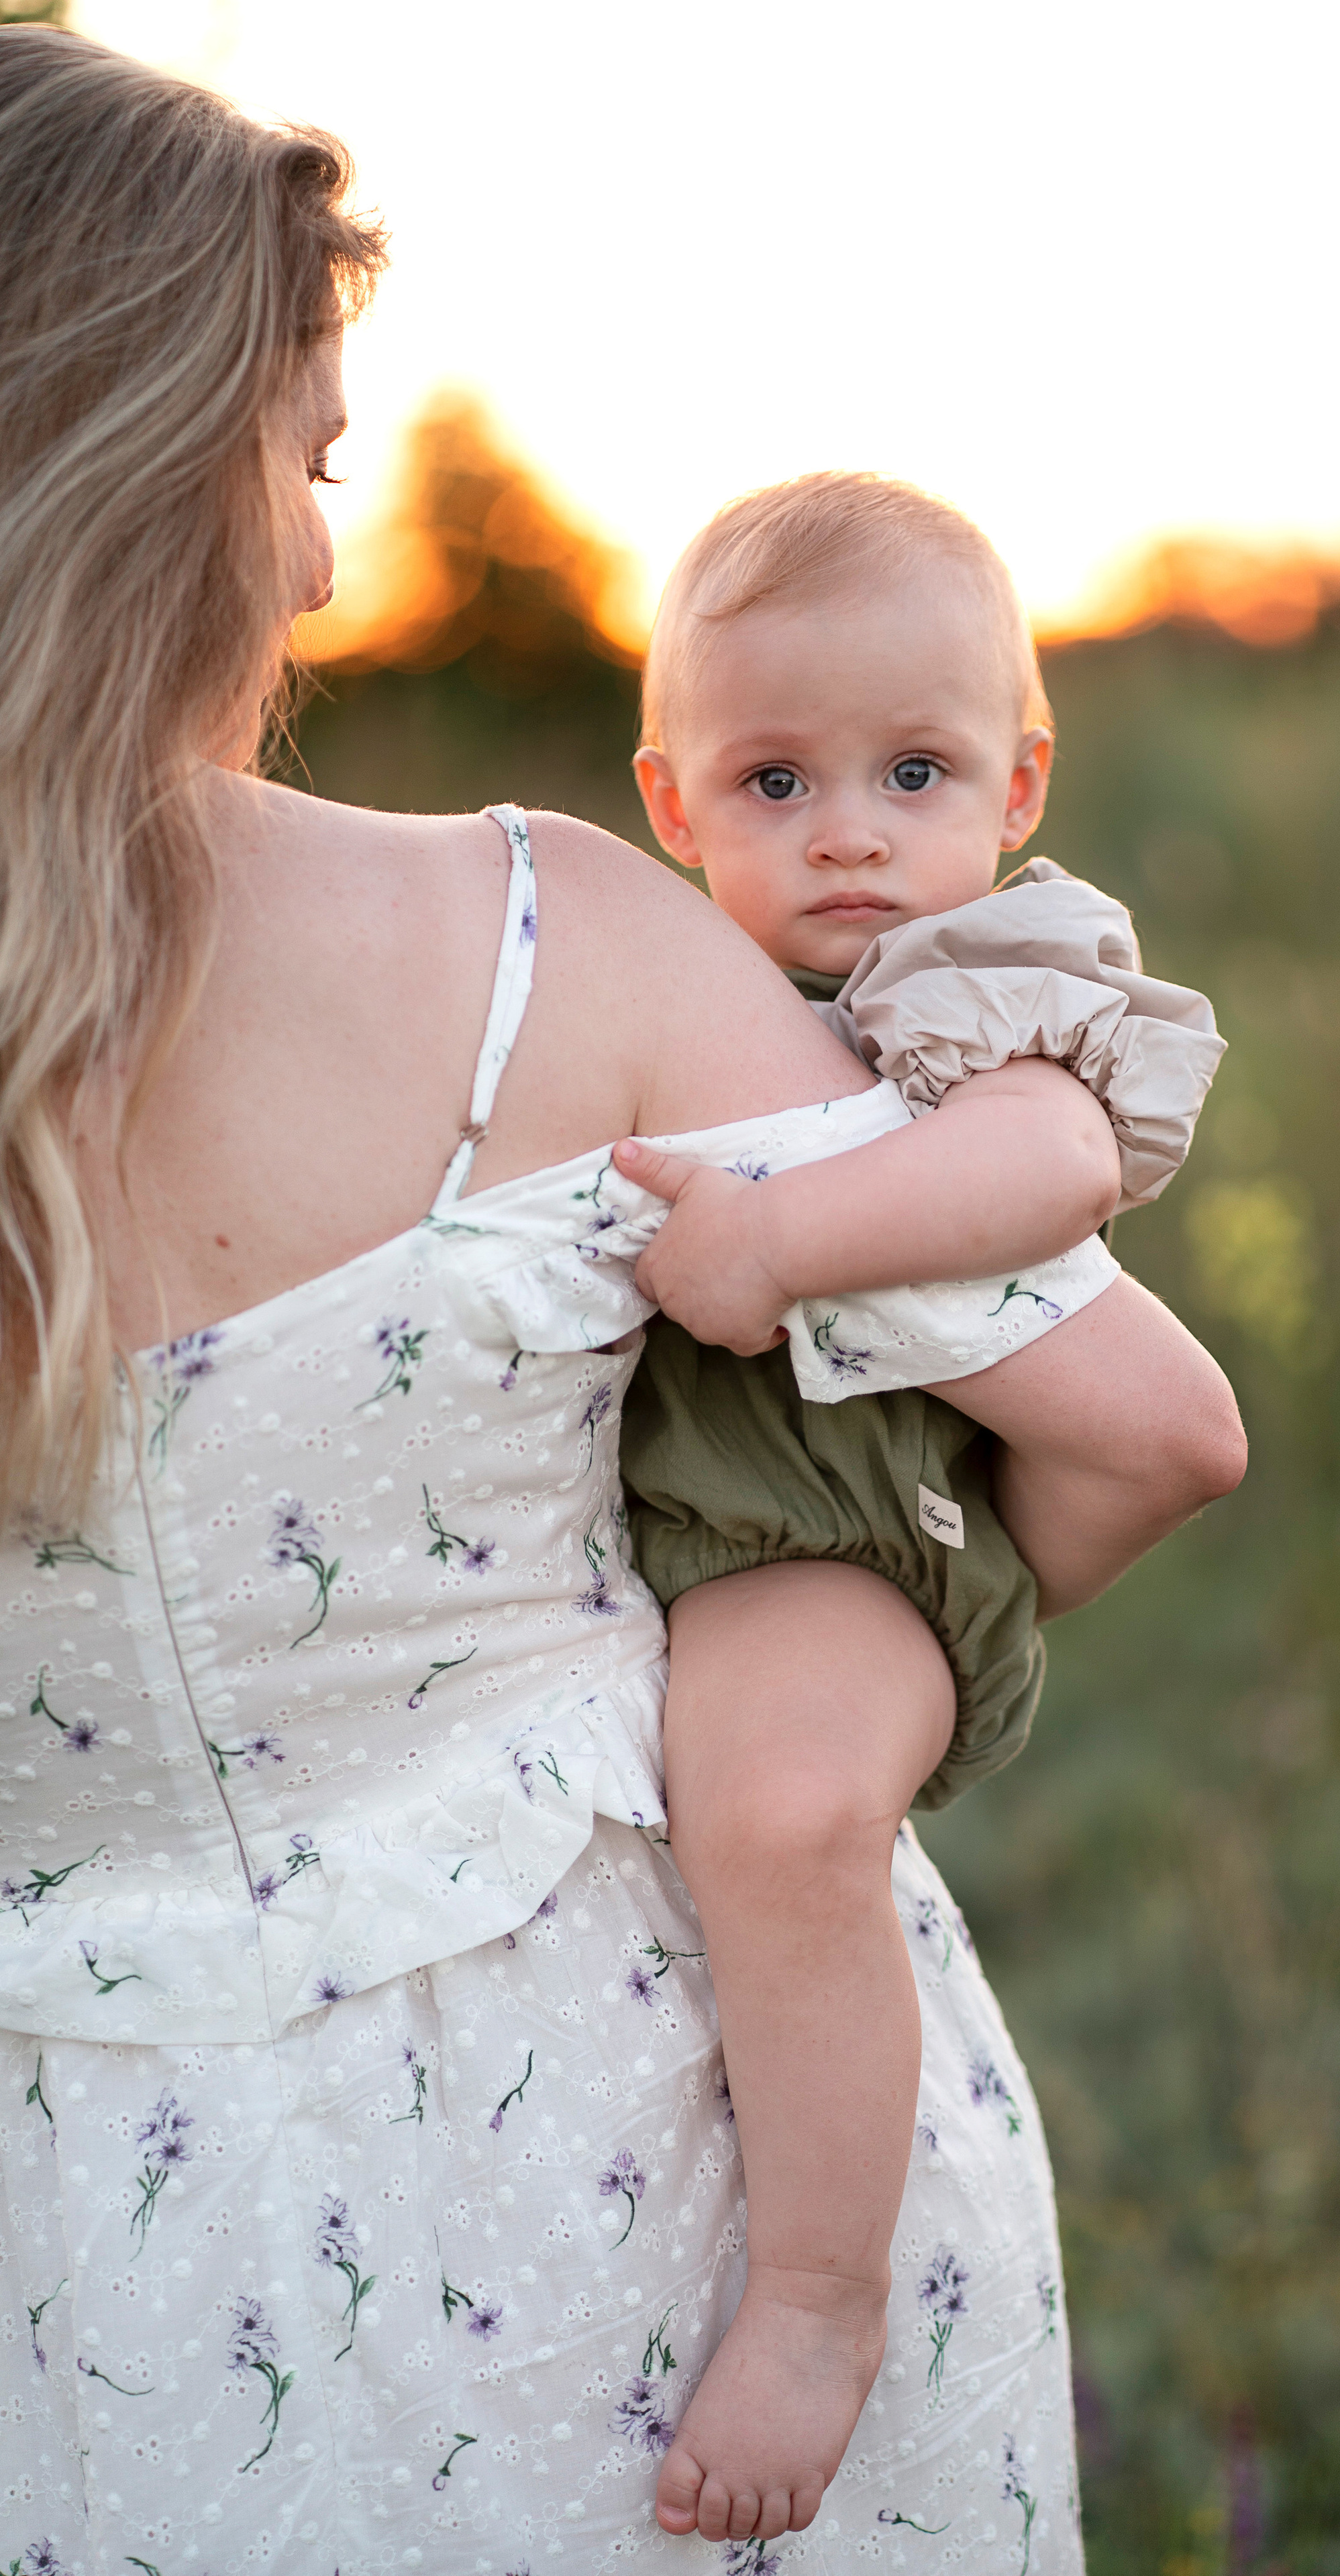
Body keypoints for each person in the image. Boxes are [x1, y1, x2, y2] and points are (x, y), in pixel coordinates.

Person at [0, 27, 1245, 2574]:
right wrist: (899, 1635)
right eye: (307, 462)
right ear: (143, 462)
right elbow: (1153, 1422)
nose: (323, 570)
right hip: (630, 2195)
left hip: (79, 2281)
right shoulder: (546, 947)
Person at [619, 472, 1232, 2540]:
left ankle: (820, 2298)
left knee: (785, 1813)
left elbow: (1051, 1169)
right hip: (704, 1525)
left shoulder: (983, 971)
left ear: (1018, 785)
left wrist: (779, 1244)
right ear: (674, 805)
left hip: (853, 1530)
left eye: (914, 771)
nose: (850, 833)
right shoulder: (661, 984)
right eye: (775, 781)